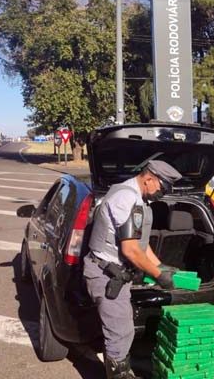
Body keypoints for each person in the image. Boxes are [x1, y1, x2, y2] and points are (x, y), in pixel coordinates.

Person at [84, 160, 182, 379]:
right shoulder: (126, 198)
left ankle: (121, 368)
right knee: (118, 333)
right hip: (107, 274)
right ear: (148, 179)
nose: (162, 193)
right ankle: (118, 374)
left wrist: (160, 266)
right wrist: (158, 276)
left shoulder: (136, 197)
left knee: (124, 328)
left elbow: (140, 245)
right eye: (162, 187)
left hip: (118, 275)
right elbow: (130, 250)